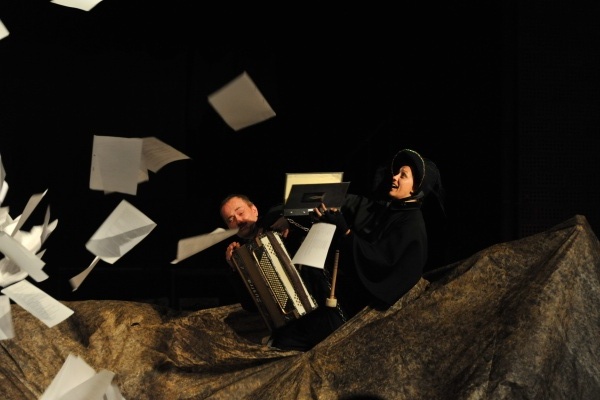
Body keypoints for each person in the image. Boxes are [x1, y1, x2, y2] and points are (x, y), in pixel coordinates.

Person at [315, 148, 445, 321]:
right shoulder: (392, 209)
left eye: (403, 175)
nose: (394, 177)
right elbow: (353, 204)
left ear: (416, 187)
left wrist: (345, 232)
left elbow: (379, 263)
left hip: (356, 310)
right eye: (397, 173)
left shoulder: (412, 226)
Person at [219, 194, 347, 351]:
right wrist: (236, 269)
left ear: (254, 210)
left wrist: (290, 221)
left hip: (321, 312)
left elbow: (317, 220)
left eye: (240, 212)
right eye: (230, 220)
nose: (238, 220)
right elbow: (251, 306)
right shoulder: (242, 256)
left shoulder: (278, 221)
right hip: (289, 328)